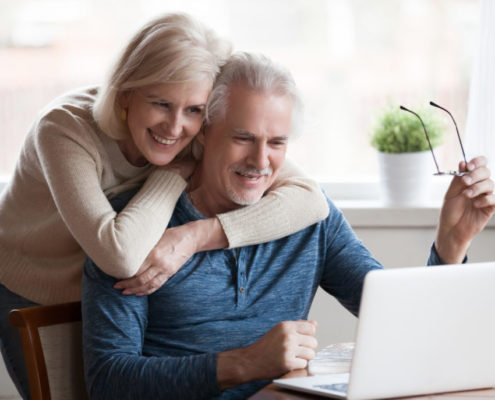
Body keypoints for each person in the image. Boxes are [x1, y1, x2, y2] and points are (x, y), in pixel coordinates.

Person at [81, 52, 495, 400]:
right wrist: (244, 363)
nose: (260, 161)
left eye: (277, 143)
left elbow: (404, 325)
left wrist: (451, 244)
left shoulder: (309, 219)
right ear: (204, 132)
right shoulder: (135, 230)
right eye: (243, 138)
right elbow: (109, 381)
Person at [0, 15, 330, 400]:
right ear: (126, 93)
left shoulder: (191, 128)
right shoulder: (63, 129)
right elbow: (120, 256)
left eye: (194, 110)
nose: (176, 127)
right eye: (161, 103)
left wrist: (195, 236)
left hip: (110, 289)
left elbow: (310, 198)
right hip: (34, 289)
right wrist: (172, 174)